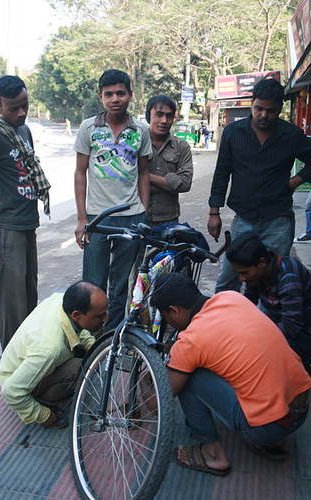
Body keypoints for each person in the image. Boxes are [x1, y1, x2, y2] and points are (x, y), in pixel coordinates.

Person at [149, 273, 311, 475]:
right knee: (216, 359)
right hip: (302, 408)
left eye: (165, 317)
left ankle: (213, 454)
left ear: (174, 311)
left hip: (270, 427)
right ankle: (273, 437)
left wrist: (145, 366)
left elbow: (156, 404)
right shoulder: (231, 297)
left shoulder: (190, 342)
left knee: (190, 375)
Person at [207, 77, 311, 293]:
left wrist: (295, 181)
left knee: (271, 282)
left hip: (278, 222)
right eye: (259, 108)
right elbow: (221, 174)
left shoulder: (292, 135)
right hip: (243, 221)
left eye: (270, 110)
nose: (264, 115)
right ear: (251, 102)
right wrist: (214, 212)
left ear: (280, 108)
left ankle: (264, 324)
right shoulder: (233, 132)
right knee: (229, 278)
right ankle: (222, 323)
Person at [0, 75, 50, 351]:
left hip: (26, 224)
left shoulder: (24, 130)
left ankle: (27, 360)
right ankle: (11, 369)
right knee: (13, 307)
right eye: (13, 108)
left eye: (25, 105)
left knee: (29, 300)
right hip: (7, 228)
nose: (21, 113)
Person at [74, 69, 151, 331]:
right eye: (108, 94)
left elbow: (144, 173)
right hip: (97, 218)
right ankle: (89, 339)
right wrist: (82, 219)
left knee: (119, 285)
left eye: (120, 93)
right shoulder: (89, 128)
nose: (114, 99)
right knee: (93, 283)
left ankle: (111, 338)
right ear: (101, 97)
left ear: (130, 95)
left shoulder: (141, 129)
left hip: (131, 219)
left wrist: (144, 211)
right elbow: (80, 173)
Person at [0, 281, 108, 428]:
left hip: (32, 361)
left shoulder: (61, 300)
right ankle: (42, 402)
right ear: (76, 315)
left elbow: (80, 331)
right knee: (79, 370)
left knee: (97, 334)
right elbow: (11, 391)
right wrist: (42, 415)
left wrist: (92, 347)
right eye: (100, 315)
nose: (106, 318)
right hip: (18, 380)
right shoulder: (48, 350)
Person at [225, 231, 311, 366]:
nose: (241, 279)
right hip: (281, 323)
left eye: (244, 273)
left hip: (303, 334)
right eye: (239, 274)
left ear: (262, 263)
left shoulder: (288, 277)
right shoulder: (257, 275)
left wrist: (253, 334)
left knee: (258, 353)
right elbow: (248, 304)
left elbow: (291, 328)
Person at [145, 95, 193, 226]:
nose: (164, 121)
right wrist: (172, 184)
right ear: (148, 116)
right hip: (138, 218)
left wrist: (146, 177)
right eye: (159, 115)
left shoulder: (181, 147)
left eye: (169, 116)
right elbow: (128, 184)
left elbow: (185, 184)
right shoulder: (136, 143)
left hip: (169, 221)